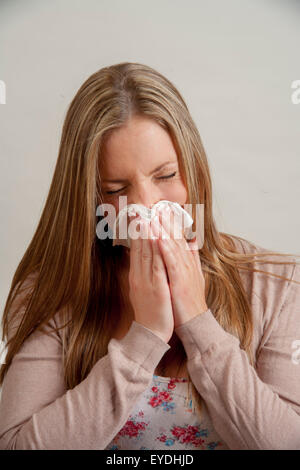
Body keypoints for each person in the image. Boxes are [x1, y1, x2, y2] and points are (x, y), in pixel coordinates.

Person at [0, 62, 300, 450]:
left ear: (194, 169)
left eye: (164, 175)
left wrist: (198, 322)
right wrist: (143, 339)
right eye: (116, 187)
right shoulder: (53, 291)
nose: (146, 206)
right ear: (90, 201)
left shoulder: (277, 284)